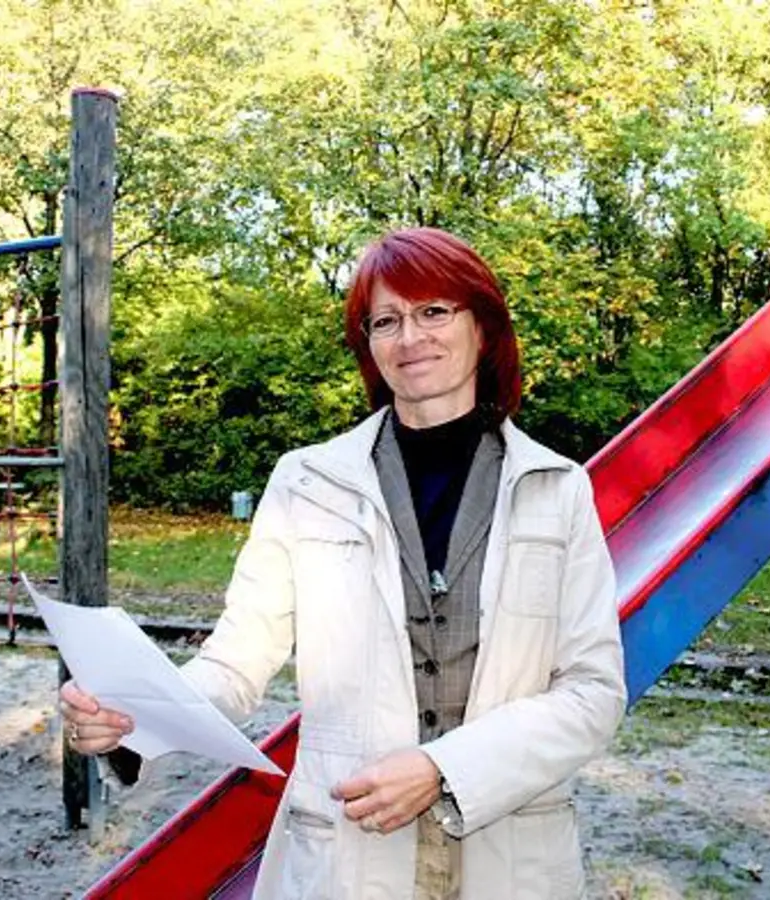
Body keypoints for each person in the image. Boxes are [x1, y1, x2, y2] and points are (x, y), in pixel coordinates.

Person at [60, 226, 626, 899]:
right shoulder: (306, 483)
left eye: (433, 311)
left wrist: (442, 768)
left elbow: (593, 693)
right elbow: (237, 661)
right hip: (347, 854)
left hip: (512, 853)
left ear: (483, 327)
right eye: (385, 320)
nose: (410, 337)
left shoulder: (558, 489)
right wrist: (132, 719)